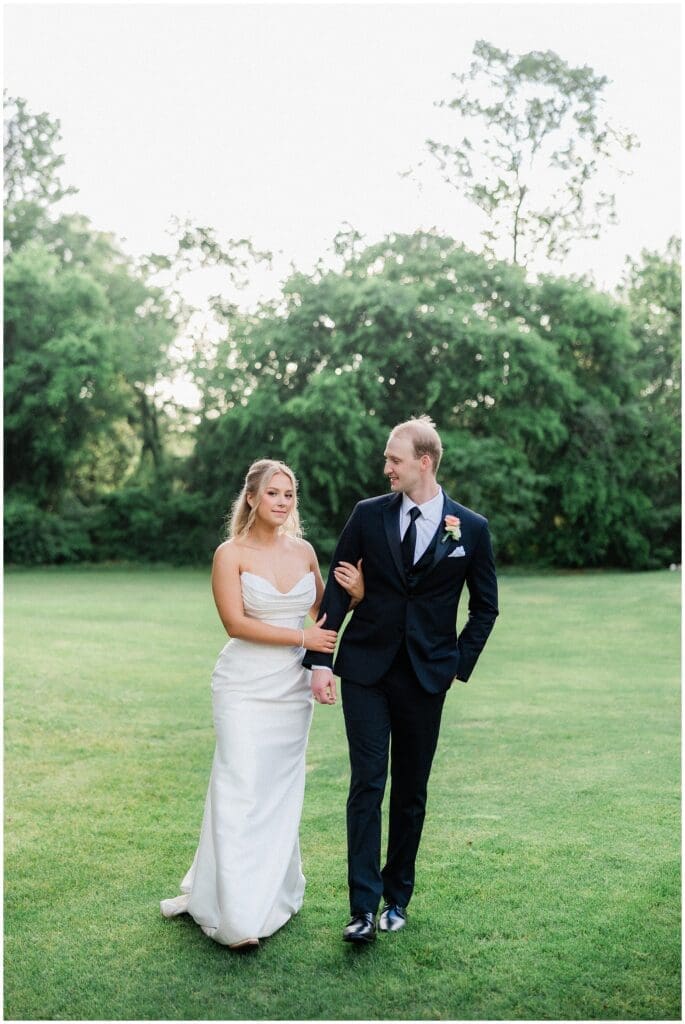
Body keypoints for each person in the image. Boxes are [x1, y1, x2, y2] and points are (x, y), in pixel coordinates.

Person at [304, 416, 498, 944]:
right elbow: (340, 588)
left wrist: (455, 663)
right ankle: (362, 909)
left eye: (394, 459)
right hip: (366, 669)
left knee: (411, 791)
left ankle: (398, 898)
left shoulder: (470, 529)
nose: (385, 467)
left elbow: (486, 608)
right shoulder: (368, 516)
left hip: (425, 677)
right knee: (367, 784)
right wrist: (321, 661)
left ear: (424, 462)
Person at [161, 459, 363, 950]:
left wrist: (355, 596)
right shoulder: (229, 554)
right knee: (239, 784)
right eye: (273, 493)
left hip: (291, 693)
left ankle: (267, 894)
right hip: (243, 685)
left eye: (289, 494)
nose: (282, 501)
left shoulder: (305, 551)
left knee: (277, 791)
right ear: (251, 498)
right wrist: (302, 635)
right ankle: (233, 915)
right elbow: (235, 623)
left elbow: (323, 612)